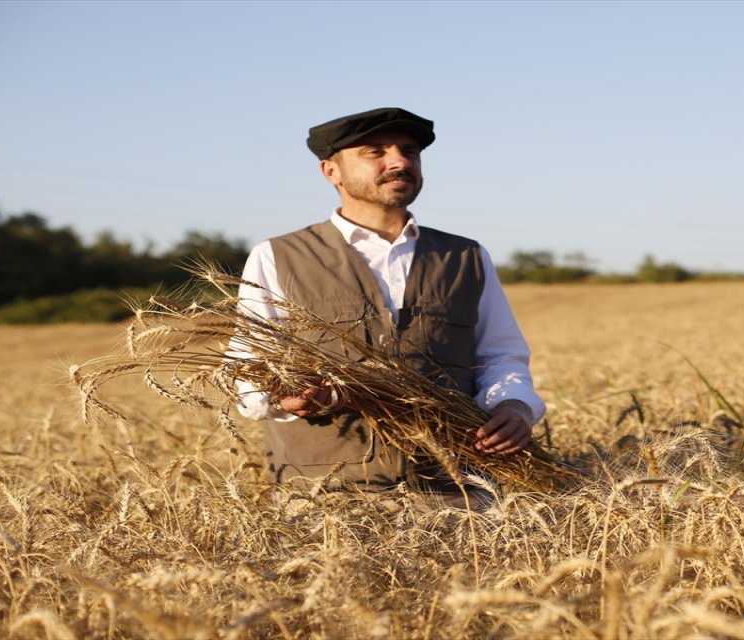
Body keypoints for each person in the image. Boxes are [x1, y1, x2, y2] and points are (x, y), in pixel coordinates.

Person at [233, 107, 545, 507]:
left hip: (458, 496)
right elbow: (244, 370)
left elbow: (501, 356)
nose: (400, 161)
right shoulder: (278, 256)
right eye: (375, 152)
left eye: (410, 151)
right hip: (327, 500)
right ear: (331, 171)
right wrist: (281, 399)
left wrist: (515, 407)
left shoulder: (465, 255)